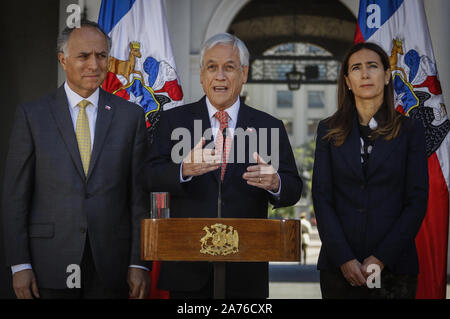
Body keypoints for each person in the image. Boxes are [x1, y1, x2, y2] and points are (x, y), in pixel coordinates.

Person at [146, 33, 302, 299]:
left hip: (246, 271)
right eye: (212, 67)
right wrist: (183, 170)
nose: (220, 76)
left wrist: (276, 183)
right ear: (201, 75)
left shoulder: (269, 126)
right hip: (187, 270)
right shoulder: (173, 122)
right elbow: (147, 177)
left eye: (229, 67)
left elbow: (294, 189)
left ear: (244, 73)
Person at [2, 20, 150, 299]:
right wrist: (19, 263)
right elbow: (15, 197)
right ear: (63, 60)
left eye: (102, 55)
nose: (94, 65)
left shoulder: (130, 116)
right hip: (48, 263)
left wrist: (138, 261)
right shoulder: (32, 116)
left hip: (112, 266)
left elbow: (138, 197)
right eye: (83, 56)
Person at [312, 42, 428, 299]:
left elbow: (417, 201)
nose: (364, 74)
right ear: (348, 81)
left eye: (372, 66)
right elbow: (321, 198)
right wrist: (344, 258)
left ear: (387, 76)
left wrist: (380, 258)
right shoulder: (327, 131)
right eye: (356, 68)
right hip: (339, 268)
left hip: (395, 268)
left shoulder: (411, 131)